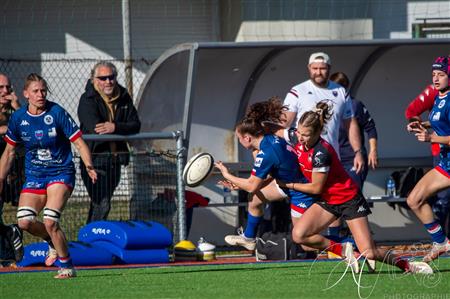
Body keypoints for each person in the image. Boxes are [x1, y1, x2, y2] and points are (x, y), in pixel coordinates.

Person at [279, 100, 433, 274]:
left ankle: (407, 265)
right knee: (299, 235)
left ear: (318, 133)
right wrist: (260, 124)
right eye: (299, 132)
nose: (300, 138)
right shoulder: (296, 137)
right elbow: (273, 131)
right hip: (329, 201)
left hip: (348, 199)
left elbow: (315, 189)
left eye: (305, 135)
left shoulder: (321, 153)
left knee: (370, 252)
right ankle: (344, 249)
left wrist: (289, 185)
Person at [0, 73, 98, 278]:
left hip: (60, 173)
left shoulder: (56, 112)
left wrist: (89, 165)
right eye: (35, 91)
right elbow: (9, 152)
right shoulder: (18, 118)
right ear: (26, 94)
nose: (40, 94)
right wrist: (0, 179)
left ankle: (67, 266)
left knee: (50, 220)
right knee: (24, 221)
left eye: (43, 90)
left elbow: (79, 142)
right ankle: (50, 241)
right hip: (35, 175)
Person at [215, 97, 318, 251]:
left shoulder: (266, 154)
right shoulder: (269, 139)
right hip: (285, 183)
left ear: (247, 138)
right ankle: (249, 238)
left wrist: (227, 174)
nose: (239, 141)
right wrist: (239, 184)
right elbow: (266, 177)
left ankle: (347, 244)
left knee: (305, 242)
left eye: (239, 138)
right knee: (255, 198)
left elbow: (251, 185)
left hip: (301, 190)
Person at [283, 52, 365, 238]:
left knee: (332, 200)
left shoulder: (340, 91)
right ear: (309, 69)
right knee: (301, 230)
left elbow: (350, 123)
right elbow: (284, 124)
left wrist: (358, 151)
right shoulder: (298, 91)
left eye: (323, 68)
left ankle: (337, 246)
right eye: (315, 68)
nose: (319, 72)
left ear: (329, 69)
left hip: (329, 160)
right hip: (302, 161)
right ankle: (251, 236)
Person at [78, 61, 141, 223]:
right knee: (102, 203)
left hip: (115, 160)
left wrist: (115, 127)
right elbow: (95, 128)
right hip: (95, 160)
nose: (108, 82)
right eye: (103, 78)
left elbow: (135, 125)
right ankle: (92, 241)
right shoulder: (88, 99)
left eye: (111, 77)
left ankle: (89, 236)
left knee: (100, 204)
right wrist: (122, 129)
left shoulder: (124, 96)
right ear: (94, 79)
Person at [406, 56, 450, 262]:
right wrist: (422, 125)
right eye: (434, 75)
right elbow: (441, 122)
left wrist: (432, 137)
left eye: (441, 75)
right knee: (414, 200)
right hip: (446, 163)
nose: (436, 79)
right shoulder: (439, 97)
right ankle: (441, 242)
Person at [330, 72, 378, 189]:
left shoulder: (356, 105)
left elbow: (370, 128)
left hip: (353, 159)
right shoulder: (326, 106)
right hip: (333, 160)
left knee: (353, 196)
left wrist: (373, 151)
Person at [0, 73, 23, 264]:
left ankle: (6, 257)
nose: (5, 92)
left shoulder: (14, 113)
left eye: (8, 87)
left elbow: (27, 128)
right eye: (0, 88)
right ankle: (9, 235)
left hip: (6, 174)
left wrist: (16, 106)